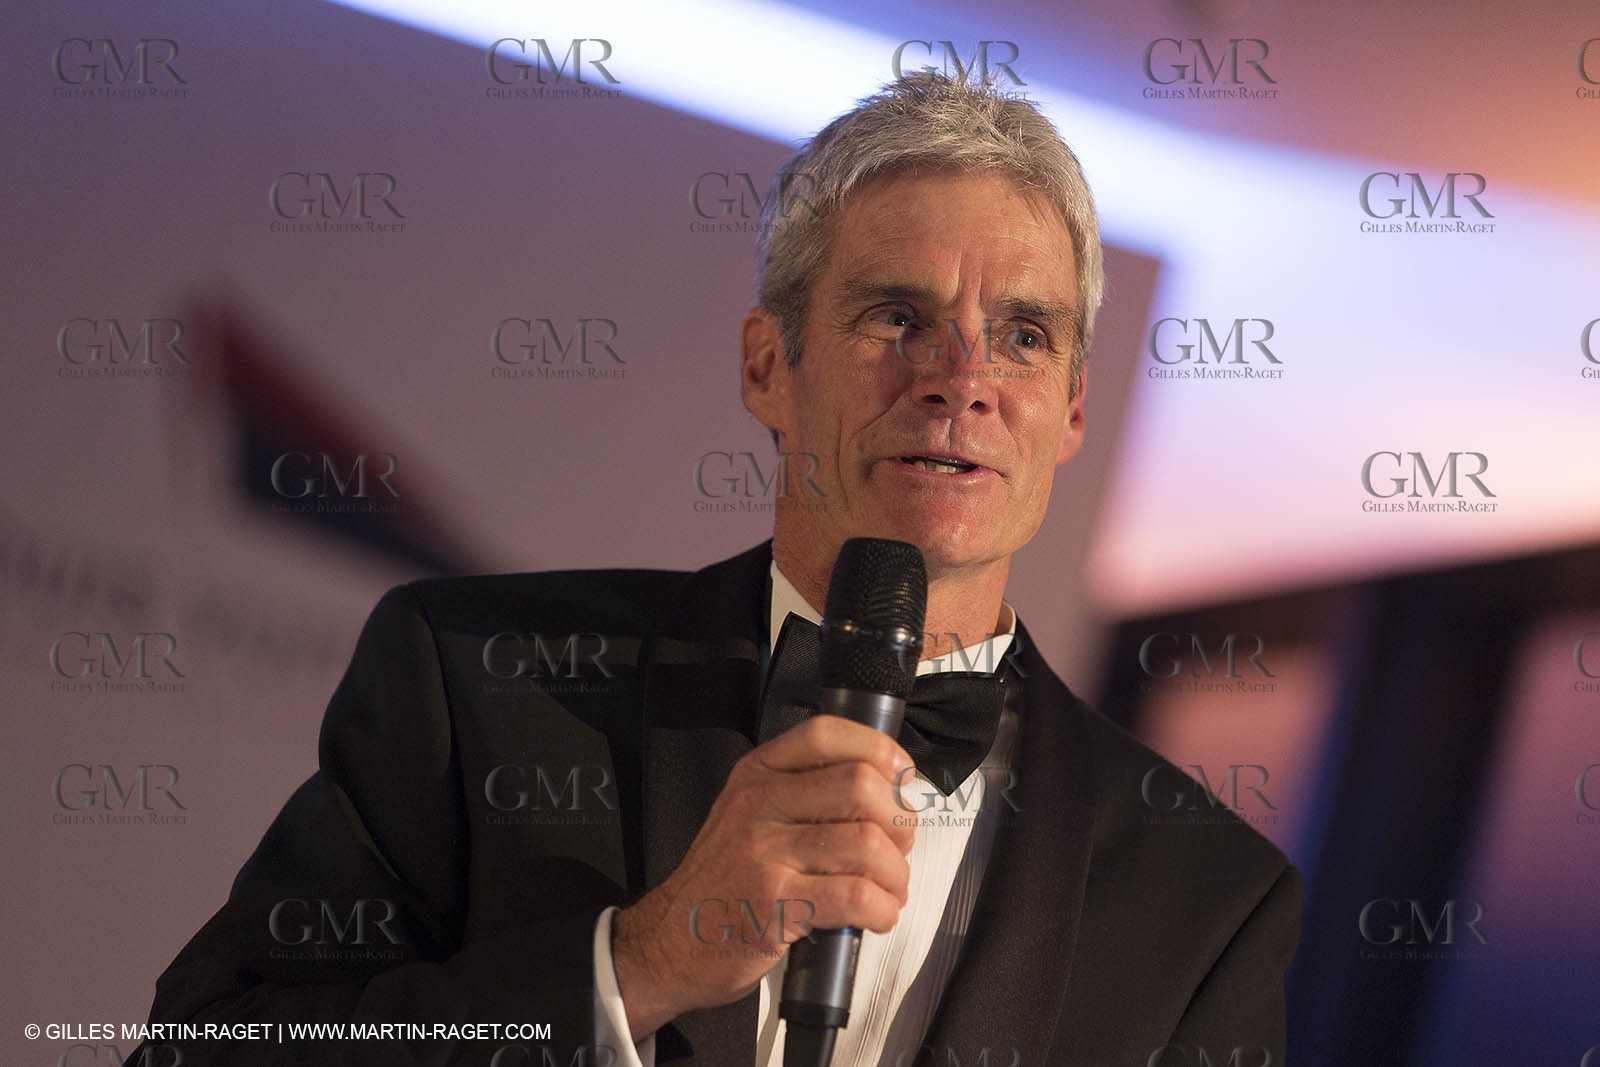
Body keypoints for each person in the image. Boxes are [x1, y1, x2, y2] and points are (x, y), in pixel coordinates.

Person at [144, 73, 1300, 1067]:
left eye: (1025, 335)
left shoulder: (1206, 895)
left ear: (1072, 411)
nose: (961, 376)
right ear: (766, 367)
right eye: (897, 316)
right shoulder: (477, 681)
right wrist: (636, 964)